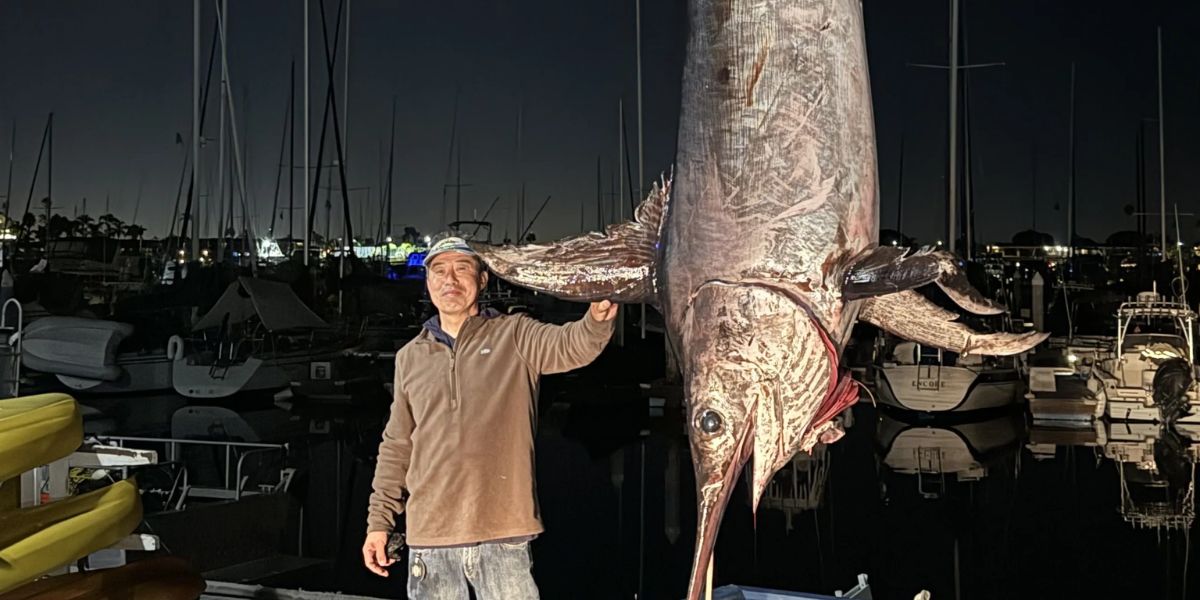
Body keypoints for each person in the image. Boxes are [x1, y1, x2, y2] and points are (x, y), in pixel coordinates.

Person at [362, 235, 617, 599]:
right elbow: (397, 445)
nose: (450, 280)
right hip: (429, 539)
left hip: (503, 536)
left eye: (462, 269)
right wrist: (379, 523)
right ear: (428, 283)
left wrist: (595, 320)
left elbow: (571, 346)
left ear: (482, 280)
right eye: (439, 271)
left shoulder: (515, 334)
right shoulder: (410, 357)